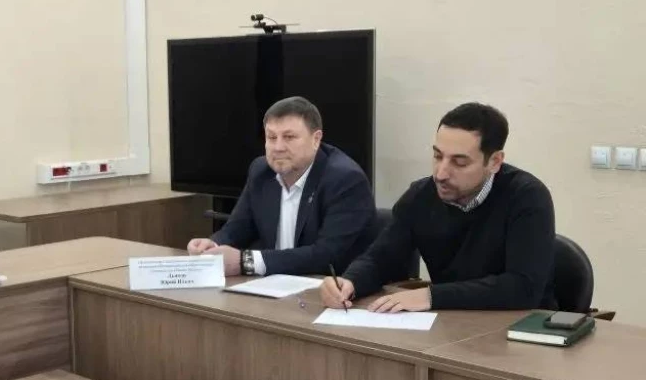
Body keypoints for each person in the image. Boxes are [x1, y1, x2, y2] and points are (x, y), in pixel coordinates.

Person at [320, 102, 556, 313]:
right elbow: (381, 258)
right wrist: (350, 282)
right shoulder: (420, 196)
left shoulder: (527, 197)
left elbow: (522, 287)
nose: (441, 174)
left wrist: (431, 296)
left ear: (494, 162)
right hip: (448, 326)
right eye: (437, 156)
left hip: (518, 330)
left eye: (459, 162)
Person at [187, 96, 377, 277]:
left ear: (316, 139)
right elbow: (238, 228)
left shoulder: (346, 180)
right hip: (274, 286)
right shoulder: (261, 171)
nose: (278, 147)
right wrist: (212, 245)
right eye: (271, 137)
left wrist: (247, 262)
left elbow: (326, 256)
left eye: (289, 137)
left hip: (333, 289)